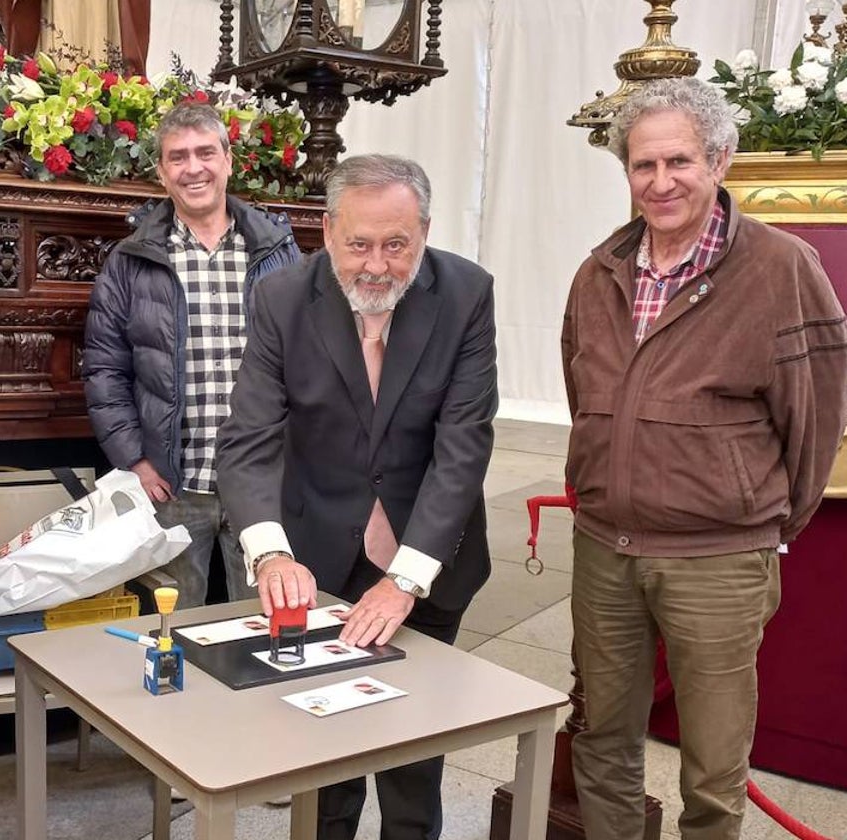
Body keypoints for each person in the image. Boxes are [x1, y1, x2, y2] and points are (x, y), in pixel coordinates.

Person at [562, 76, 847, 840]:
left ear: (720, 160)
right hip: (604, 552)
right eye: (642, 166)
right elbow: (581, 391)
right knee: (601, 740)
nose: (660, 183)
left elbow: (814, 420)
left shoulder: (782, 269)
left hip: (717, 558)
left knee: (715, 772)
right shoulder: (599, 272)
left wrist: (760, 523)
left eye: (679, 162)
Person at [217, 154, 497, 840]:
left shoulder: (466, 293)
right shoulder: (282, 299)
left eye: (397, 244)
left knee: (411, 755)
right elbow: (249, 440)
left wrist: (406, 578)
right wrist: (271, 555)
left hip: (428, 555)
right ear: (326, 230)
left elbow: (463, 449)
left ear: (425, 232)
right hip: (319, 557)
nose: (377, 265)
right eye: (359, 244)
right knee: (325, 753)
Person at [84, 101, 301, 609]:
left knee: (263, 620)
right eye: (177, 157)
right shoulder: (131, 260)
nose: (193, 167)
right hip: (175, 485)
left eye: (205, 152)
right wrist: (134, 458)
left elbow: (310, 359)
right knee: (170, 628)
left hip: (264, 480)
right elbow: (103, 367)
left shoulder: (275, 249)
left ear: (228, 160)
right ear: (161, 172)